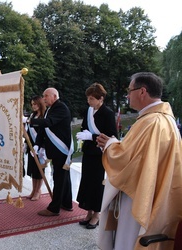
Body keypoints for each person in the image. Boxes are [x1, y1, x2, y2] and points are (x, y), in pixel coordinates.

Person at [96, 72, 182, 250]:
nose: (127, 95)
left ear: (142, 91)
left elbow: (127, 160)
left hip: (138, 194)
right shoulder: (165, 119)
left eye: (130, 90)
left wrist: (110, 145)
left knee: (128, 240)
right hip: (155, 192)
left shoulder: (151, 122)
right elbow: (141, 155)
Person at [75, 83, 118, 229]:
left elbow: (112, 135)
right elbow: (84, 127)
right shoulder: (89, 111)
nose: (89, 101)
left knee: (96, 184)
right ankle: (88, 212)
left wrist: (92, 136)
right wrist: (83, 135)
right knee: (86, 182)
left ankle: (97, 214)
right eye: (88, 98)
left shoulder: (107, 113)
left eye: (92, 98)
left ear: (100, 99)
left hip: (99, 154)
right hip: (88, 152)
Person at [30, 88, 73, 216]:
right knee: (64, 178)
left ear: (54, 96)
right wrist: (38, 145)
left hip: (61, 149)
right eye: (43, 96)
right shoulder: (51, 108)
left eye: (46, 96)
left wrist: (29, 121)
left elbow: (48, 122)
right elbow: (44, 128)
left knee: (59, 178)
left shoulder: (61, 107)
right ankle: (66, 203)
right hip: (55, 149)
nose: (44, 99)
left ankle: (54, 208)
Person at [25, 96, 47, 201]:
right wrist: (26, 144)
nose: (33, 106)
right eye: (32, 104)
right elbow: (28, 132)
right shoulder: (32, 115)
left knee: (39, 170)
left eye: (35, 104)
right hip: (31, 145)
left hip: (40, 147)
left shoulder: (43, 116)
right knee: (33, 169)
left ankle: (38, 191)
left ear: (40, 104)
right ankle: (33, 190)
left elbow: (44, 134)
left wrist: (41, 147)